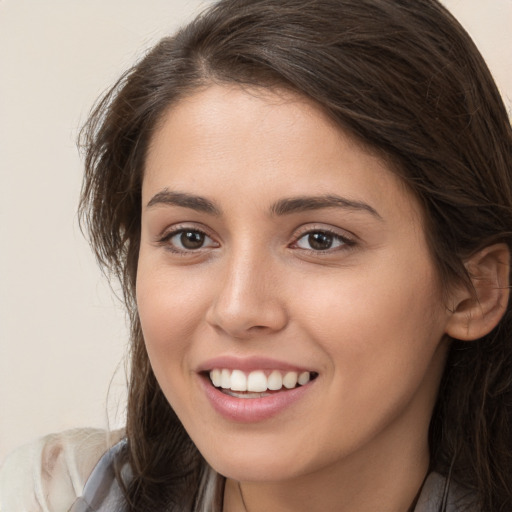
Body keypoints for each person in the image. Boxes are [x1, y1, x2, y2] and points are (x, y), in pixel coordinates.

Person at [1, 0, 511, 510]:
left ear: (473, 290)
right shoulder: (47, 493)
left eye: (320, 240)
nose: (238, 309)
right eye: (190, 238)